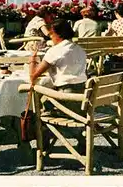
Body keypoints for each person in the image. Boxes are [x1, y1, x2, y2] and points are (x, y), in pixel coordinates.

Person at [29, 19, 88, 151]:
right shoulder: (80, 50)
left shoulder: (55, 51)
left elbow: (33, 75)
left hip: (66, 101)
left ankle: (43, 146)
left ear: (57, 34)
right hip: (83, 100)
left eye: (51, 35)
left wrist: (32, 59)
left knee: (39, 107)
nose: (50, 38)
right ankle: (81, 138)